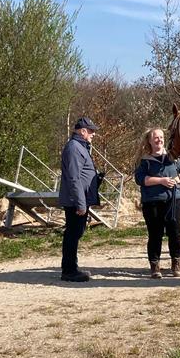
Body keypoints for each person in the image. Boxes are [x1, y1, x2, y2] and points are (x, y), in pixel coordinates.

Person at [134, 127, 180, 278]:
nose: (159, 140)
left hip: (174, 200)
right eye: (156, 138)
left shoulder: (174, 157)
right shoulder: (145, 161)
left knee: (175, 233)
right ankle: (155, 266)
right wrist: (162, 181)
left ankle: (176, 263)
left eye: (161, 137)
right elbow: (140, 179)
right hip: (153, 202)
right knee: (155, 234)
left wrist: (177, 180)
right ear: (150, 141)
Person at [58, 116, 102, 282]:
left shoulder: (80, 146)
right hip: (75, 201)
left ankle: (71, 268)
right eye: (91, 131)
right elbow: (74, 178)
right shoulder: (74, 148)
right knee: (72, 234)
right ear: (82, 131)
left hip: (78, 200)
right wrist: (80, 203)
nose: (93, 134)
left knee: (76, 233)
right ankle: (69, 271)